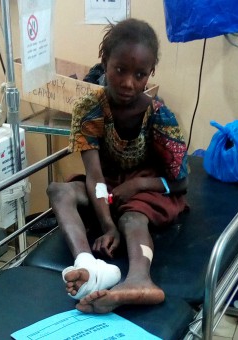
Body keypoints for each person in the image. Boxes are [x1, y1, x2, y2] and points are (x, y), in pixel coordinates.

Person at [46, 18, 189, 314]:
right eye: (120, 70)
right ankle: (86, 264)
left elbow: (181, 182)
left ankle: (139, 280)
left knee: (133, 218)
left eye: (139, 75)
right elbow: (96, 177)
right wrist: (107, 225)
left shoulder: (158, 115)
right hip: (106, 188)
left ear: (151, 73)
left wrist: (137, 185)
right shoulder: (90, 109)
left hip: (148, 188)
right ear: (104, 62)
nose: (128, 83)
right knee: (59, 191)